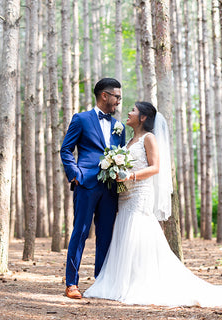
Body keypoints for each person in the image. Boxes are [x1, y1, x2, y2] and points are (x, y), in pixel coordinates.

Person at [83, 101, 222, 306]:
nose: (128, 112)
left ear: (143, 117)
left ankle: (140, 282)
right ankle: (121, 281)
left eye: (133, 110)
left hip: (140, 195)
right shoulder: (127, 142)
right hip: (125, 196)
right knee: (124, 232)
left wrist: (131, 176)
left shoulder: (149, 138)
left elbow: (155, 168)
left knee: (138, 233)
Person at [60, 78, 126, 299]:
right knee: (80, 233)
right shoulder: (81, 119)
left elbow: (122, 154)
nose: (119, 100)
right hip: (86, 184)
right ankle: (71, 283)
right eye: (116, 96)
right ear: (104, 95)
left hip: (110, 188)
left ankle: (102, 283)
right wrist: (75, 175)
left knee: (106, 235)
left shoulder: (120, 127)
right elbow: (66, 150)